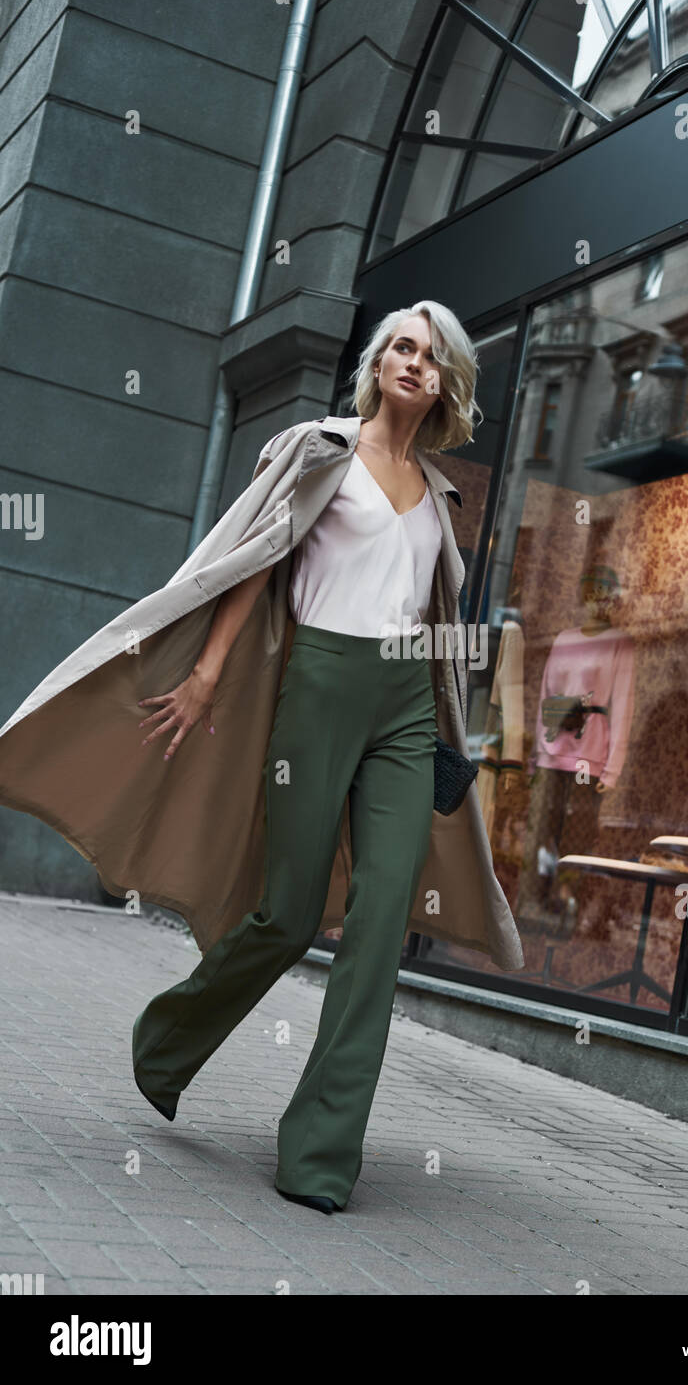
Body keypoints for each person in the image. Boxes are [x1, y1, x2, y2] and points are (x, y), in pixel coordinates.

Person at [128, 301, 480, 1214]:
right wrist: (206, 672)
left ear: (446, 383)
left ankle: (321, 1153)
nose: (414, 362)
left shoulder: (441, 493)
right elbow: (254, 563)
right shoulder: (321, 450)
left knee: (380, 921)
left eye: (432, 357)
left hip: (403, 705)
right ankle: (169, 1041)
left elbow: (437, 624)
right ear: (378, 363)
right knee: (286, 916)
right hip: (319, 684)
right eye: (401, 346)